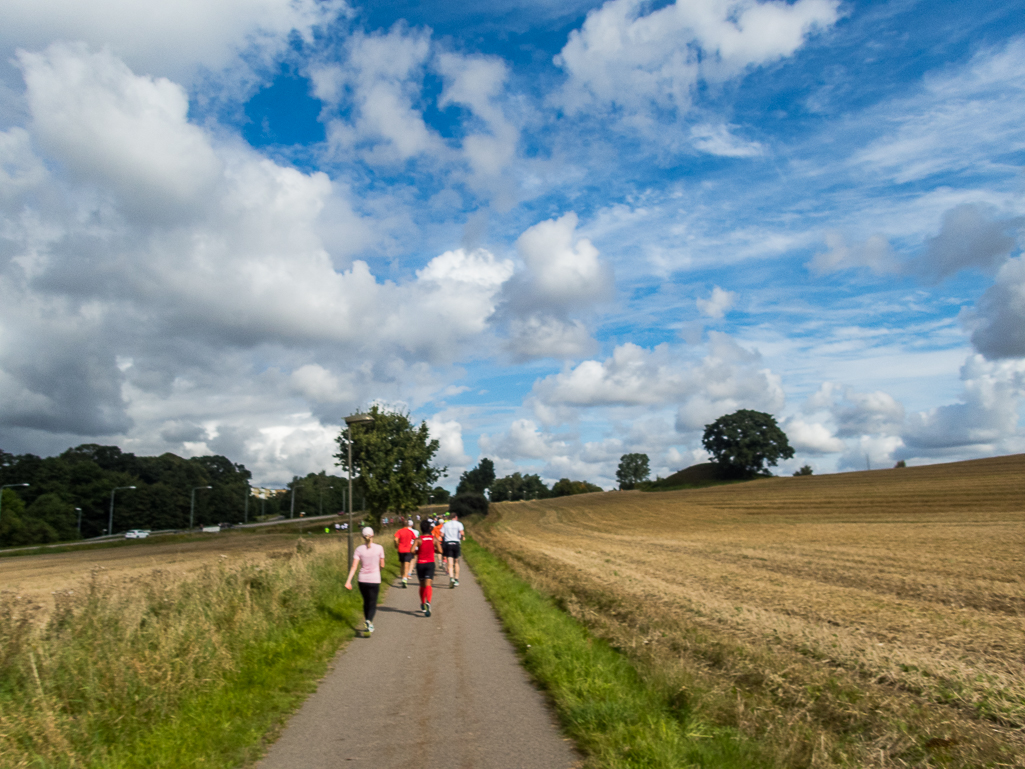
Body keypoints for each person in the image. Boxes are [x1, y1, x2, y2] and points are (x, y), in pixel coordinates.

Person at [344, 526, 385, 635]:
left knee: (366, 601)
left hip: (362, 579)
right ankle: (369, 621)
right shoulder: (379, 548)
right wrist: (377, 571)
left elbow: (354, 567)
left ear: (362, 537)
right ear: (373, 535)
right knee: (373, 602)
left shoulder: (359, 549)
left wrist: (348, 581)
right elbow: (382, 565)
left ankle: (368, 622)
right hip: (374, 579)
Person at [413, 518, 440, 616]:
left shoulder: (418, 539)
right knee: (428, 584)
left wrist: (418, 551)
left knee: (421, 584)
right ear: (429, 528)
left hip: (420, 563)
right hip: (430, 563)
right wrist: (434, 550)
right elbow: (440, 551)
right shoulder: (434, 539)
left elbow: (412, 550)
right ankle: (428, 601)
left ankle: (423, 603)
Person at [441, 511, 465, 587]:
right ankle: (457, 579)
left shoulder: (446, 524)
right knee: (456, 562)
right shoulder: (459, 524)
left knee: (450, 562)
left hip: (448, 543)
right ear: (456, 517)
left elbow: (441, 534)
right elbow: (462, 533)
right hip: (456, 543)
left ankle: (451, 578)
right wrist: (461, 537)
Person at [394, 517, 417, 587]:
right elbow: (415, 539)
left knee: (402, 564)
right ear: (407, 525)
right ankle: (404, 578)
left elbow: (395, 539)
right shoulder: (411, 532)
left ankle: (402, 578)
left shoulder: (399, 531)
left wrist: (396, 545)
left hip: (400, 549)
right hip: (408, 549)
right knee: (407, 565)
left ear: (402, 525)